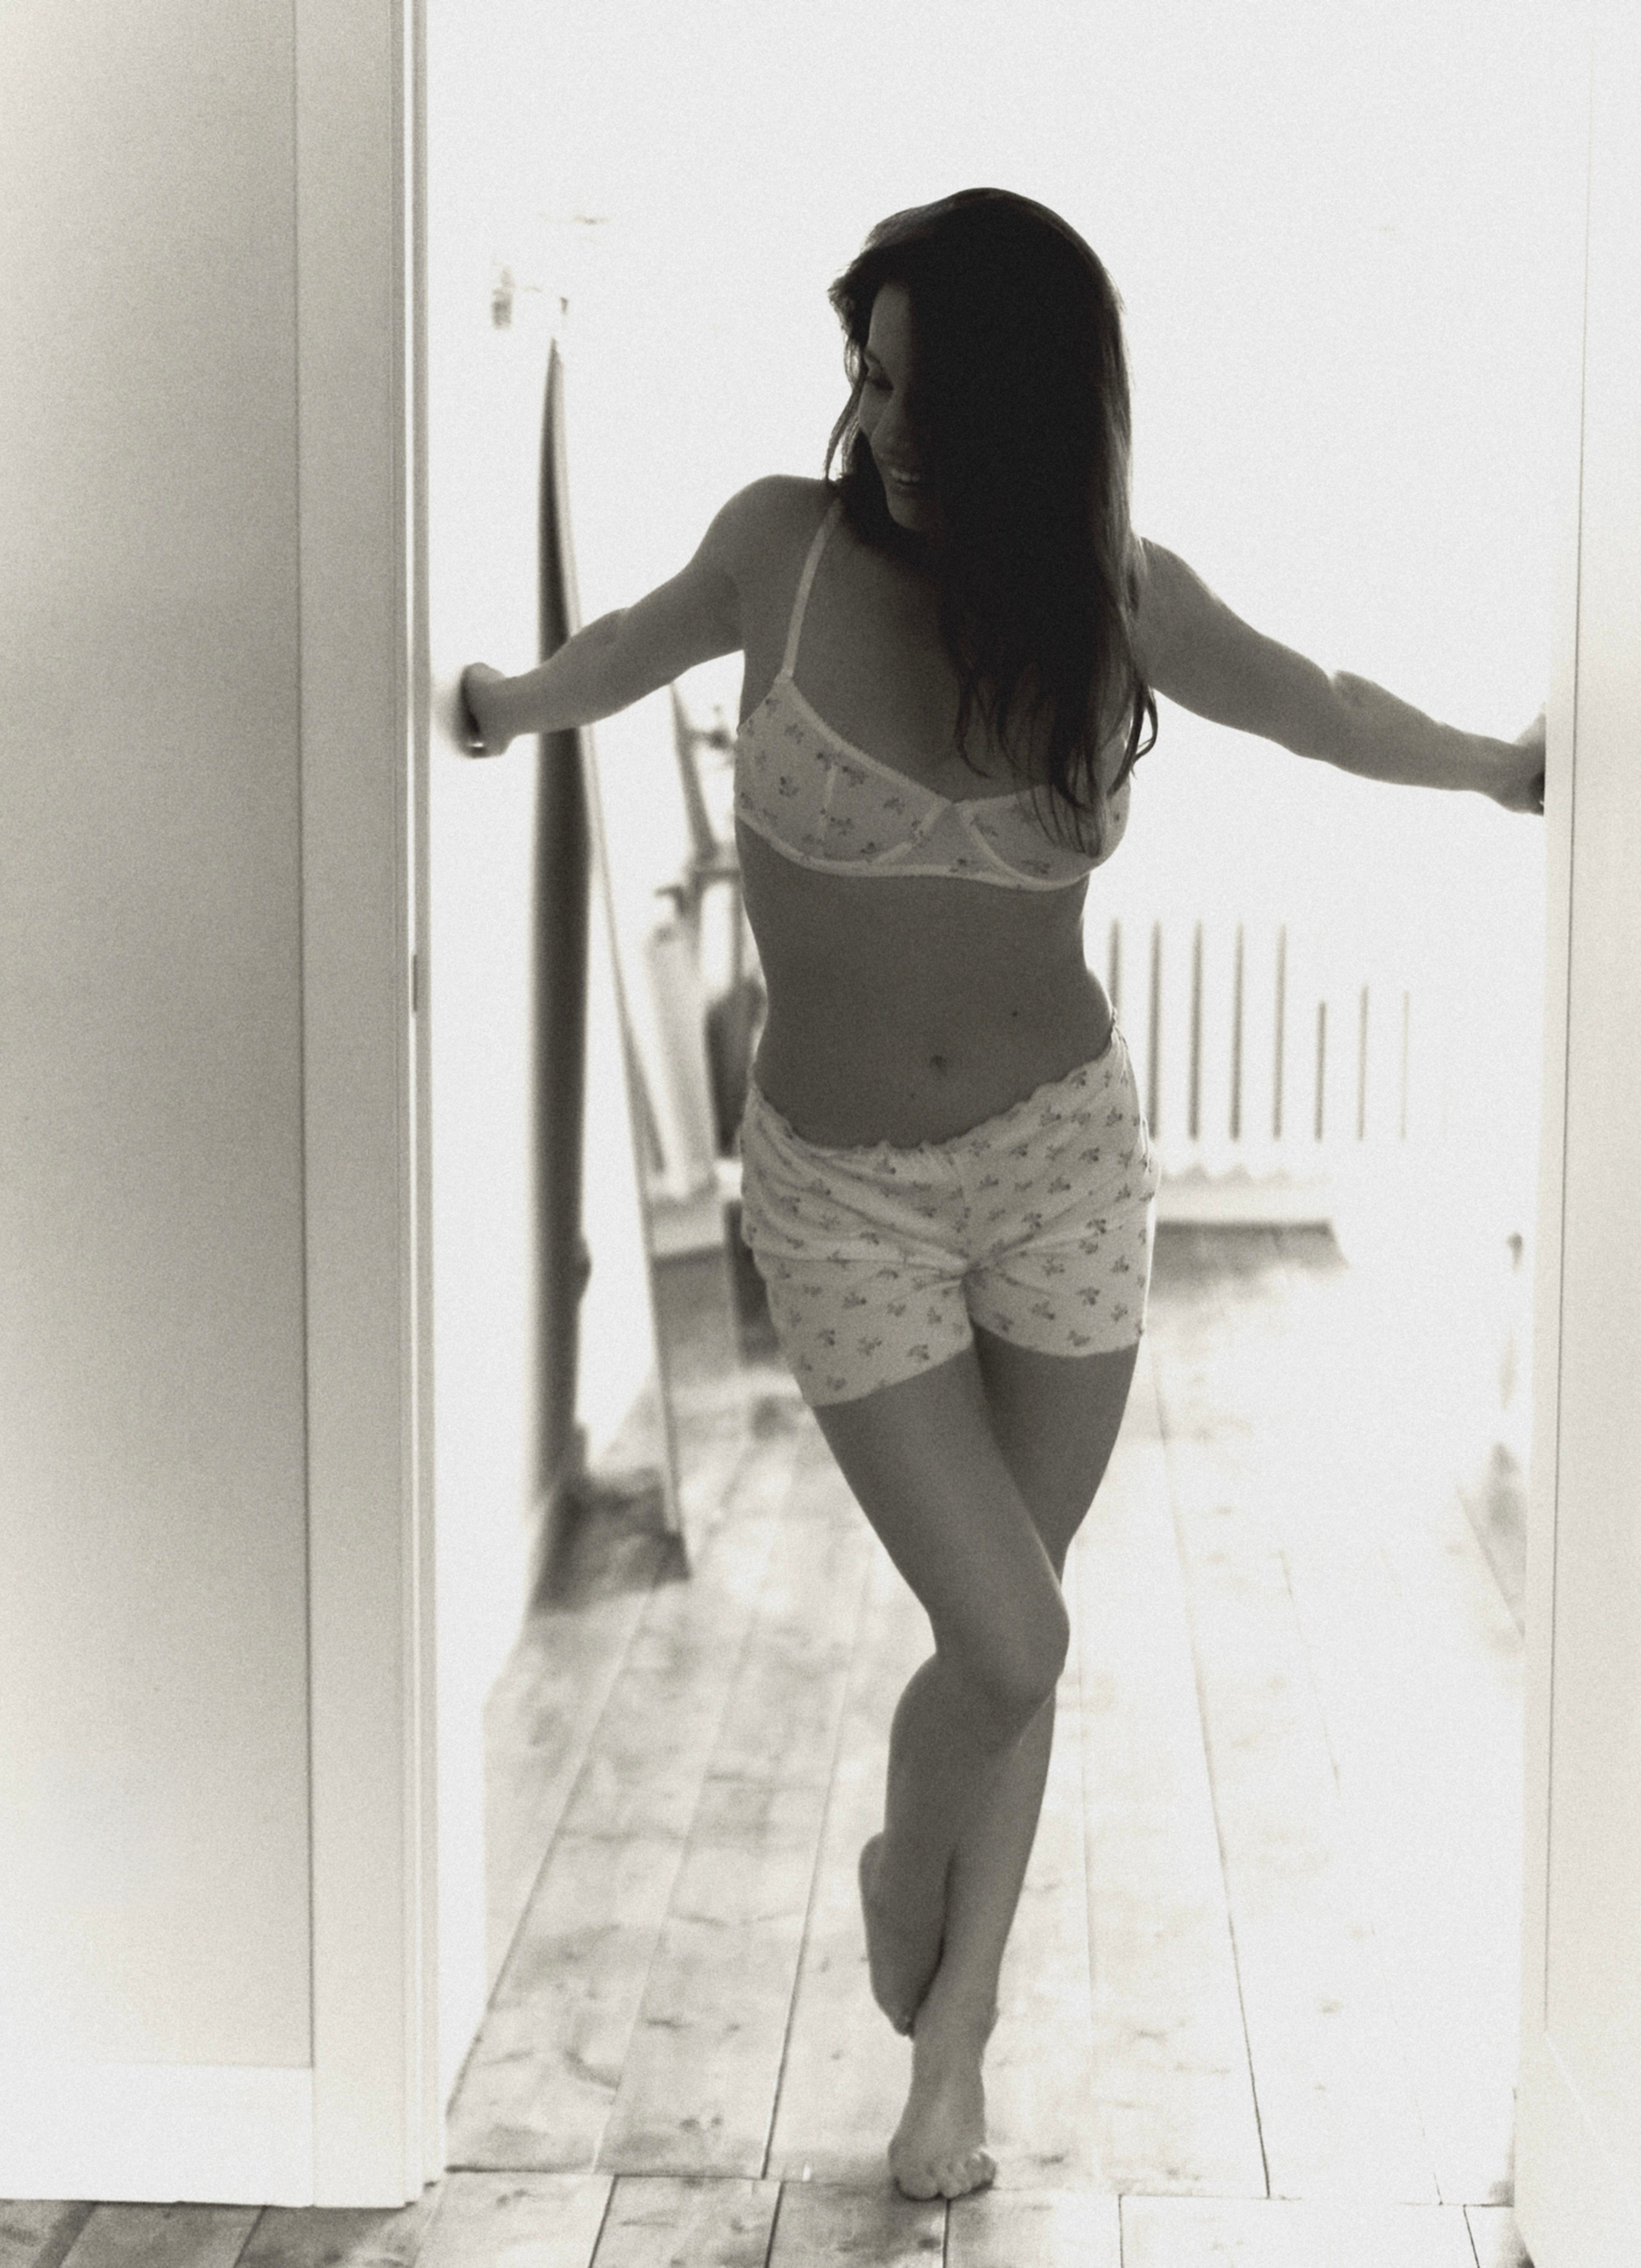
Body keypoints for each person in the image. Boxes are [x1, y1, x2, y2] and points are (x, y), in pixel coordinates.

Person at [461, 187, 1545, 2203]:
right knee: (1017, 1635)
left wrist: (1504, 766)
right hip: (840, 1194)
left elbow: (1317, 701)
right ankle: (906, 1857)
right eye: (867, 382)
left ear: (1034, 423)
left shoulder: (1113, 599)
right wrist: (494, 709)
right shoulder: (781, 553)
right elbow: (618, 648)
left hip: (1063, 1168)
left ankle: (950, 2052)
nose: (881, 431)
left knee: (1012, 1627)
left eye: (927, 401)